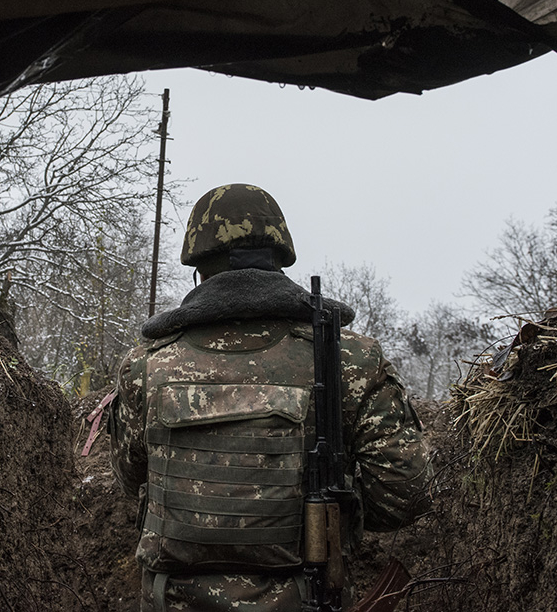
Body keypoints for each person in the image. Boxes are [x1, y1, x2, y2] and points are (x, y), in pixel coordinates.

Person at [109, 183, 432, 611]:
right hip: (305, 597)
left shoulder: (145, 365)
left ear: (198, 267)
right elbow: (403, 495)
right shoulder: (348, 358)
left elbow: (132, 478)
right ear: (281, 258)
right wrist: (331, 499)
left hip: (171, 599)